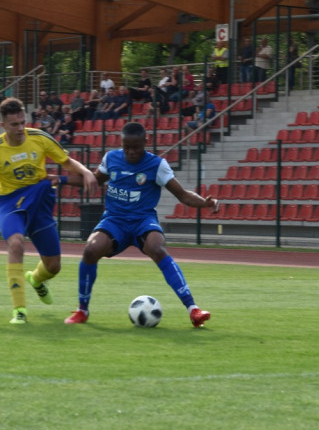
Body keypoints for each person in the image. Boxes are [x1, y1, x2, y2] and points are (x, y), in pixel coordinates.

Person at [65, 121, 219, 327]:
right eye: (126, 146)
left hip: (142, 221)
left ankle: (193, 310)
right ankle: (82, 310)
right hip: (114, 220)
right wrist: (59, 179)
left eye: (135, 147)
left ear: (146, 142)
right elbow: (94, 179)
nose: (130, 152)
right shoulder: (111, 158)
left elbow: (182, 195)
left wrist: (205, 203)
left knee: (157, 248)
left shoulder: (157, 165)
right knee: (90, 250)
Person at [0, 97, 98, 325]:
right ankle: (19, 311)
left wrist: (86, 172)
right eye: (14, 125)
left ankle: (36, 280)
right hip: (10, 203)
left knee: (54, 267)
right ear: (3, 126)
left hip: (39, 199)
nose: (20, 129)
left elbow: (66, 162)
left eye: (22, 123)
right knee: (16, 243)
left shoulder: (40, 138)